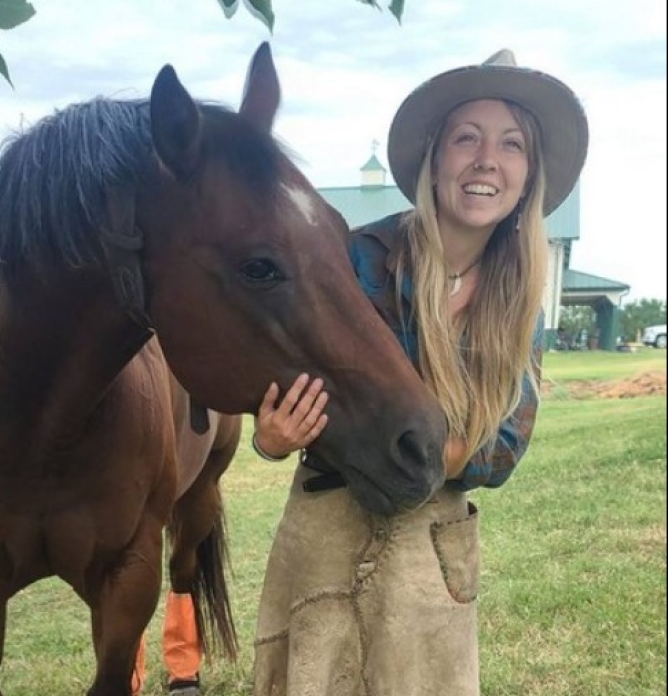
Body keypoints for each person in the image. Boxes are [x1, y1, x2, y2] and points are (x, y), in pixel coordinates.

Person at [250, 49, 589, 695]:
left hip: (431, 547)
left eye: (511, 144)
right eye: (467, 137)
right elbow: (284, 379)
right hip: (325, 525)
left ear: (527, 176)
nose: (487, 158)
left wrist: (408, 454)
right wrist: (271, 438)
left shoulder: (519, 301)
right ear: (434, 159)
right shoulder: (355, 259)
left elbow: (502, 450)